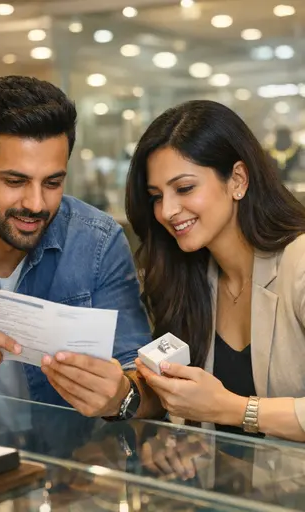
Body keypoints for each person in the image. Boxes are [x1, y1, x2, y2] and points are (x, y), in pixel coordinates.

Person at [0, 75, 152, 420]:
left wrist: (122, 395)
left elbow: (143, 383)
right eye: (15, 181)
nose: (35, 204)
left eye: (53, 182)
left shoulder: (97, 241)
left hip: (65, 466)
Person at [125, 100, 305, 442]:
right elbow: (193, 415)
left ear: (237, 179)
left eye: (184, 188)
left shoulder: (300, 266)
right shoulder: (188, 277)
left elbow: (220, 407)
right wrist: (173, 443)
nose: (167, 210)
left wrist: (234, 409)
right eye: (156, 196)